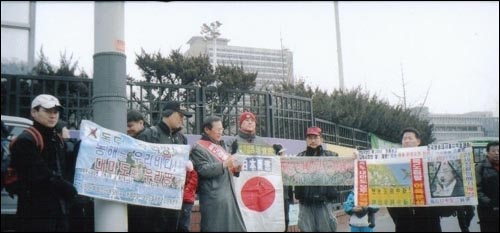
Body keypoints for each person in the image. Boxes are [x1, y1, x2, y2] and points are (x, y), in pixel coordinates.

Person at [9, 94, 77, 232]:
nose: (53, 116)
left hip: (58, 210)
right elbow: (39, 175)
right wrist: (66, 188)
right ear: (34, 112)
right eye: (47, 111)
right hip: (34, 213)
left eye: (56, 112)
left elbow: (64, 167)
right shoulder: (26, 140)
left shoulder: (56, 138)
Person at [129, 101, 195, 232]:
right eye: (180, 116)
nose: (182, 120)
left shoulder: (181, 139)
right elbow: (134, 166)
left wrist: (189, 164)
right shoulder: (148, 135)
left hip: (174, 201)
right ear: (168, 114)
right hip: (150, 204)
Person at [227, 111, 292, 231]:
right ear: (240, 124)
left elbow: (275, 165)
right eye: (246, 120)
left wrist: (278, 153)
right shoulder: (232, 142)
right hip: (240, 190)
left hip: (261, 190)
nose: (250, 122)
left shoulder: (263, 143)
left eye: (252, 120)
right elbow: (226, 163)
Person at [189, 116, 246, 232]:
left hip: (228, 195)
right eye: (218, 129)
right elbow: (203, 170)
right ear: (207, 130)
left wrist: (236, 169)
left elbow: (227, 167)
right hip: (213, 197)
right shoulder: (198, 147)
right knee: (214, 227)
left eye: (222, 129)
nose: (221, 132)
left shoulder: (221, 145)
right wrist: (224, 164)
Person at [387, 127, 444, 232]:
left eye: (410, 138)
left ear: (418, 141)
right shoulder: (394, 161)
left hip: (429, 217)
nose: (407, 141)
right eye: (404, 139)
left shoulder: (429, 158)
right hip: (404, 218)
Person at [294, 126, 339, 232]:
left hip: (324, 204)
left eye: (315, 137)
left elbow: (346, 167)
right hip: (305, 205)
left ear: (321, 139)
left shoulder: (331, 156)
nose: (312, 140)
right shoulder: (299, 158)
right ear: (306, 140)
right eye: (310, 138)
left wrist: (355, 157)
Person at [476, 141, 499, 232]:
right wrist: (490, 202)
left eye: (498, 150)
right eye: (493, 151)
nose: (497, 153)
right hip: (487, 211)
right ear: (487, 152)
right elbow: (476, 189)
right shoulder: (480, 167)